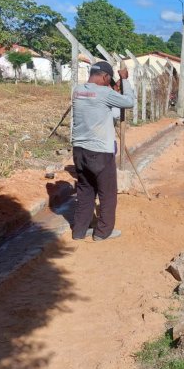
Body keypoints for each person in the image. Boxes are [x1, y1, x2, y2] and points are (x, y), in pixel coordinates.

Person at [71, 61, 136, 241]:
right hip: (100, 152)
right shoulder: (105, 92)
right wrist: (125, 80)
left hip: (79, 151)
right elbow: (129, 102)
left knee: (85, 192)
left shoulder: (77, 90)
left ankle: (79, 232)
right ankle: (102, 232)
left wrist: (112, 91)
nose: (109, 84)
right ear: (105, 77)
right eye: (109, 81)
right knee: (107, 194)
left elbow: (100, 106)